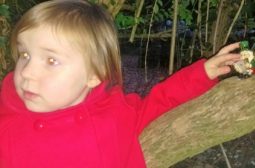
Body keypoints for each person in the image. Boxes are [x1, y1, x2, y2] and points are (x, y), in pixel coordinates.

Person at [0, 1, 241, 168]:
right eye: (24, 55)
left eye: (51, 60)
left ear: (94, 75)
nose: (27, 72)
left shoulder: (113, 111)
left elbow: (160, 102)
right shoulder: (7, 128)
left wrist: (202, 73)